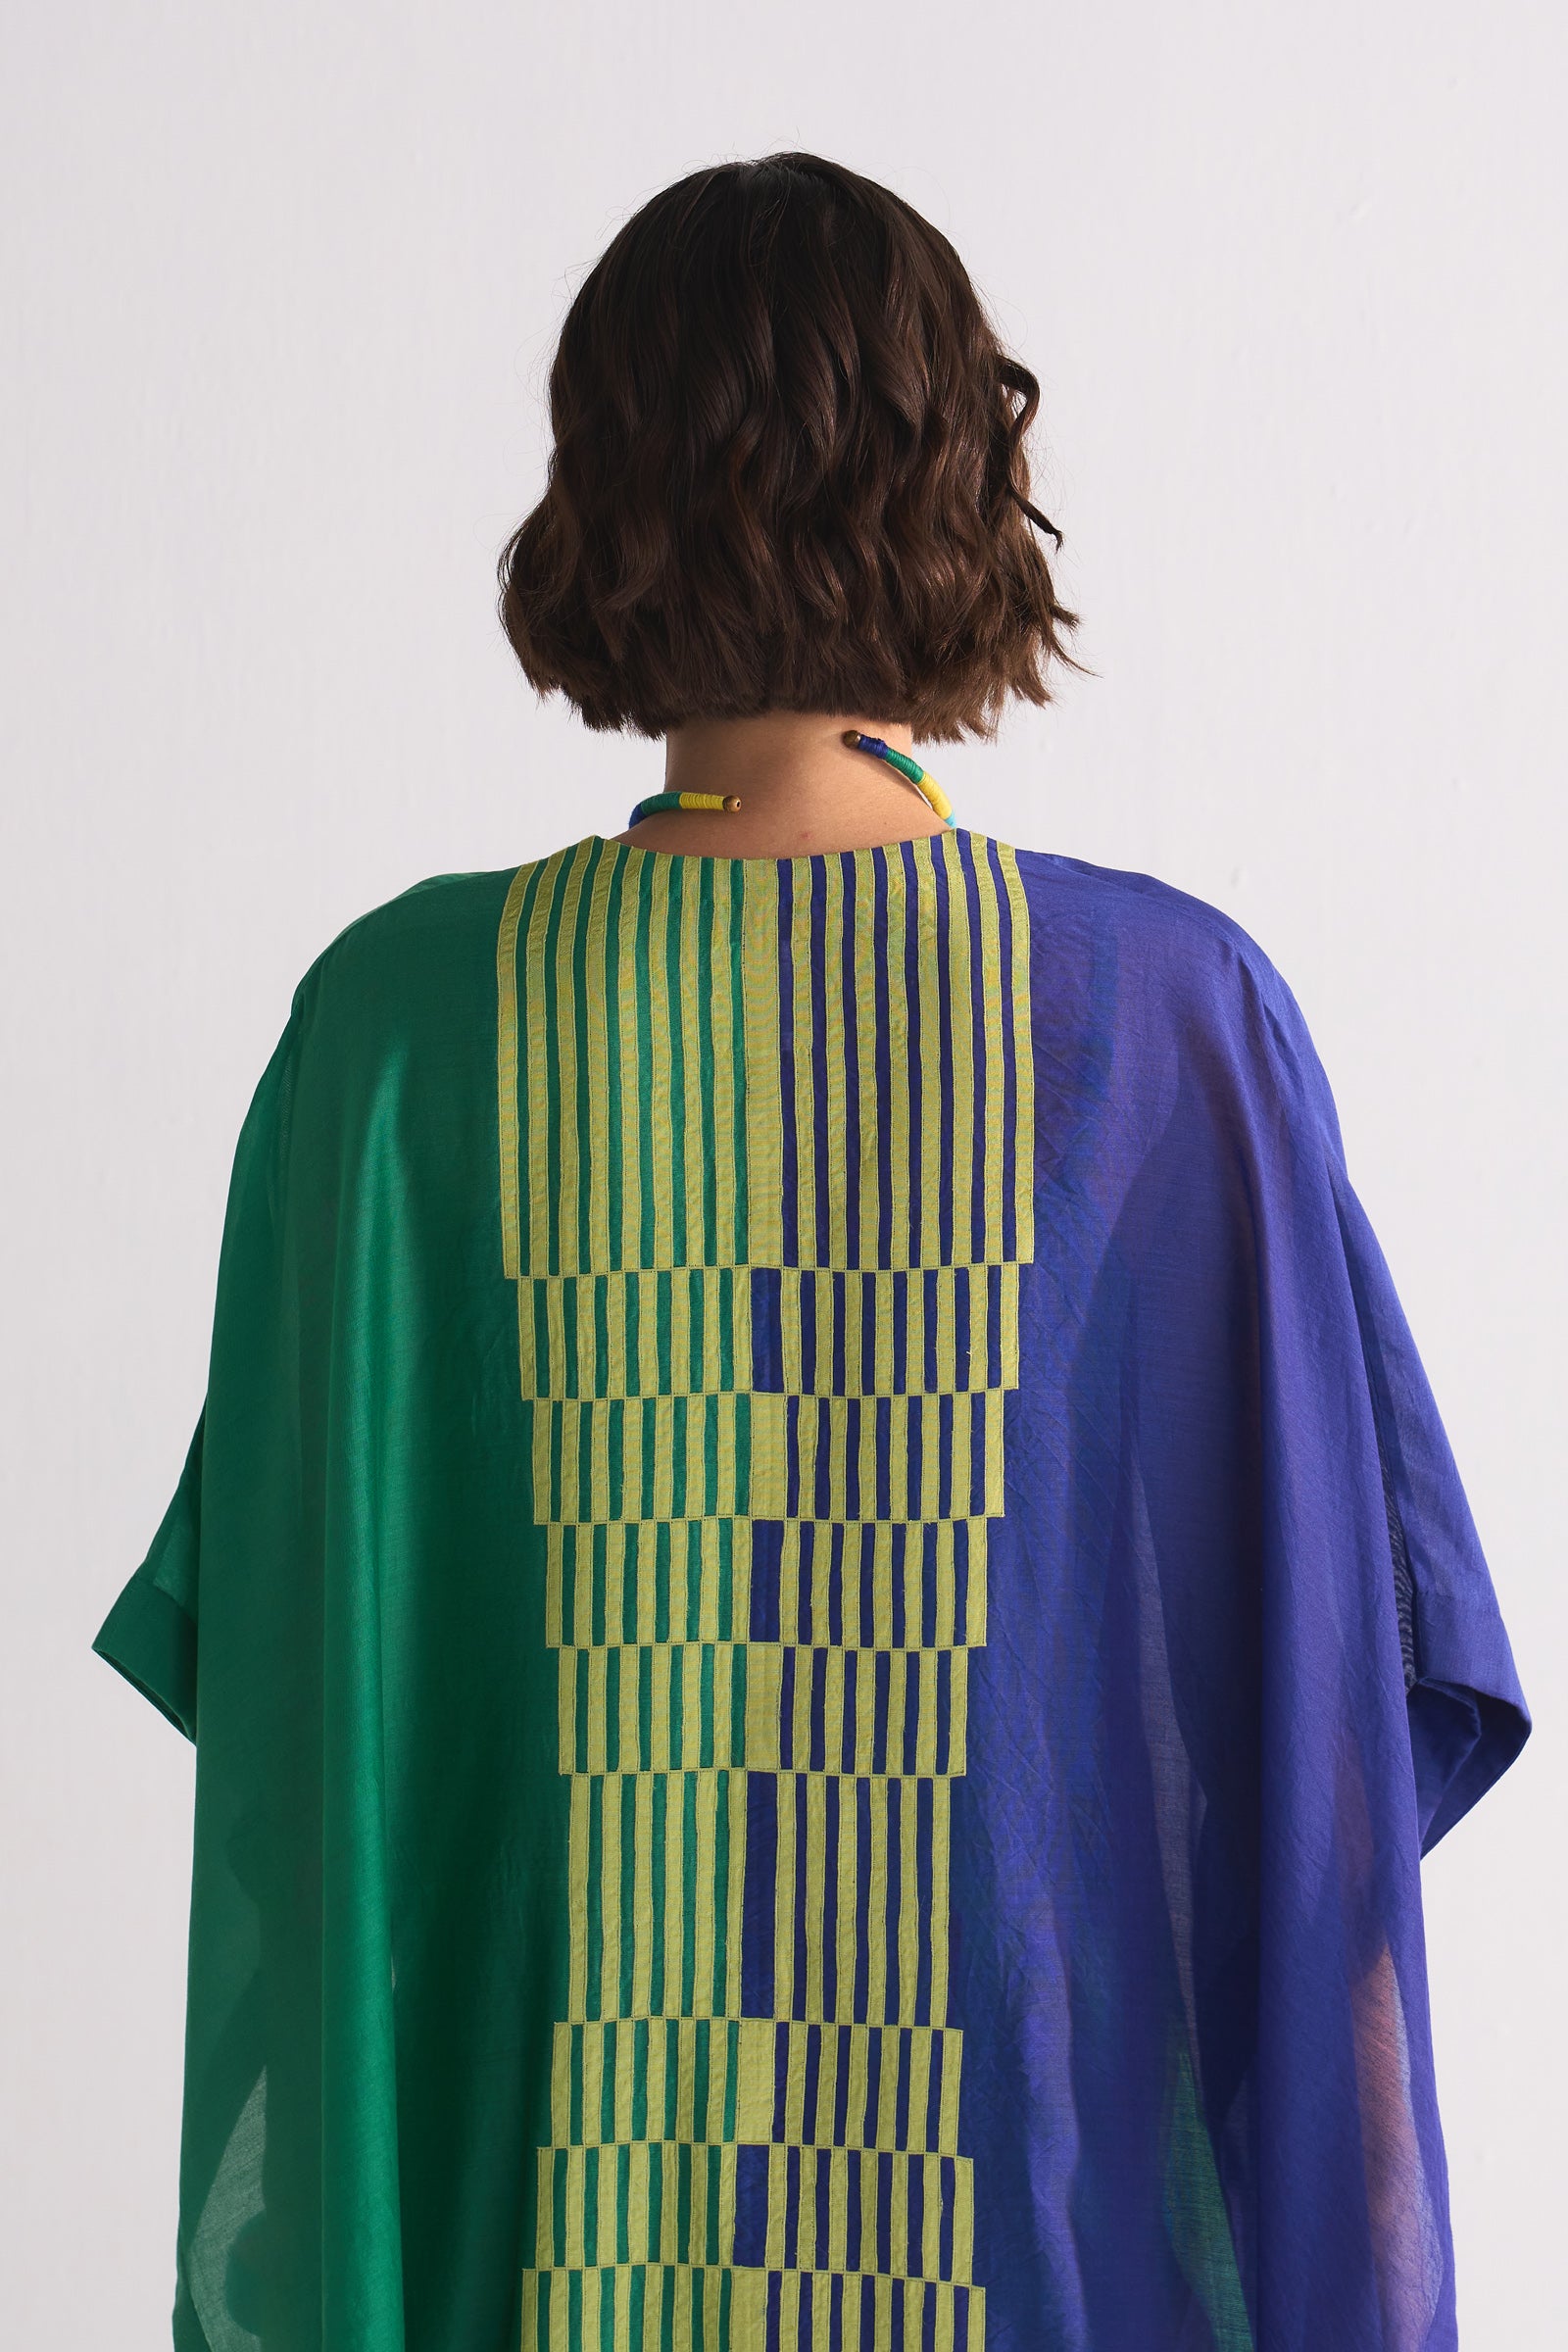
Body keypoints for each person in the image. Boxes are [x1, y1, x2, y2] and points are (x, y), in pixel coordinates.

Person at [93, 153, 1530, 2352]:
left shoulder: (393, 1041)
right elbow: (1327, 1750)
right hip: (1040, 2274)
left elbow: (306, 1740)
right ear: (971, 486)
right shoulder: (1160, 1031)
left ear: (594, 500)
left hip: (526, 2270)